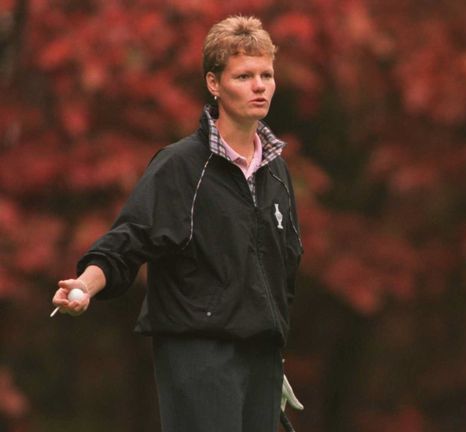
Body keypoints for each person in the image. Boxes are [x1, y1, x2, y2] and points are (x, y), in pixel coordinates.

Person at [51, 16, 303, 432]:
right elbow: (128, 241)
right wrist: (84, 286)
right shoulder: (180, 166)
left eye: (266, 75)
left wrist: (269, 340)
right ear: (214, 83)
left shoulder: (277, 172)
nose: (259, 85)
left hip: (261, 359)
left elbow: (283, 266)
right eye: (244, 75)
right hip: (199, 357)